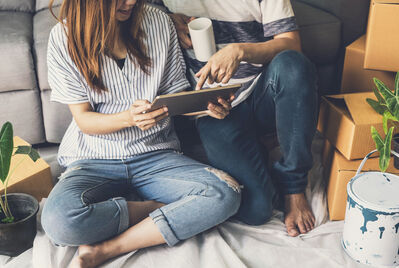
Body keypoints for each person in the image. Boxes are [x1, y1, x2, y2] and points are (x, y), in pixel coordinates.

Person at [41, 0, 241, 267]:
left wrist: (206, 108)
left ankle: (108, 249)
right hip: (93, 158)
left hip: (156, 155)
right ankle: (153, 208)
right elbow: (84, 120)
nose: (132, 2)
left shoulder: (159, 22)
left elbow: (175, 98)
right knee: (59, 223)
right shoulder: (62, 38)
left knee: (226, 194)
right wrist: (128, 118)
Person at [151, 0, 318, 237]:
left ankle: (294, 186)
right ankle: (259, 147)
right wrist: (165, 16)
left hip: (262, 90)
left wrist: (240, 51)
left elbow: (291, 43)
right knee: (256, 211)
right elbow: (132, 8)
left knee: (294, 65)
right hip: (212, 108)